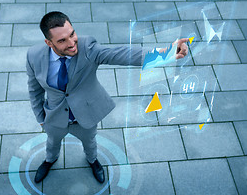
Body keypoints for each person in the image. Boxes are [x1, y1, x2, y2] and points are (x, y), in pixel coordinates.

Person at [26, 11, 189, 184]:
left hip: (85, 114)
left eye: (72, 34)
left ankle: (93, 161)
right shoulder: (34, 56)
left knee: (90, 143)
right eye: (62, 40)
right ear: (49, 43)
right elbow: (34, 90)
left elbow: (123, 54)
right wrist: (40, 118)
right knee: (52, 143)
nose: (72, 43)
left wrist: (166, 53)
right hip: (54, 116)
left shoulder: (88, 47)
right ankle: (50, 160)